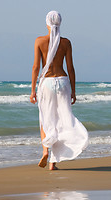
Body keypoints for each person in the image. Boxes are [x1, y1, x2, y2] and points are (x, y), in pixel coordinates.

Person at [30, 11, 88, 170]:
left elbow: (36, 67)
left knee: (45, 119)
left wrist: (33, 90)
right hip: (63, 82)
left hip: (47, 82)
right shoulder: (66, 43)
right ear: (60, 23)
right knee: (61, 120)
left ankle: (45, 151)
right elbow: (70, 68)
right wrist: (74, 91)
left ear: (46, 23)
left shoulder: (39, 41)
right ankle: (52, 163)